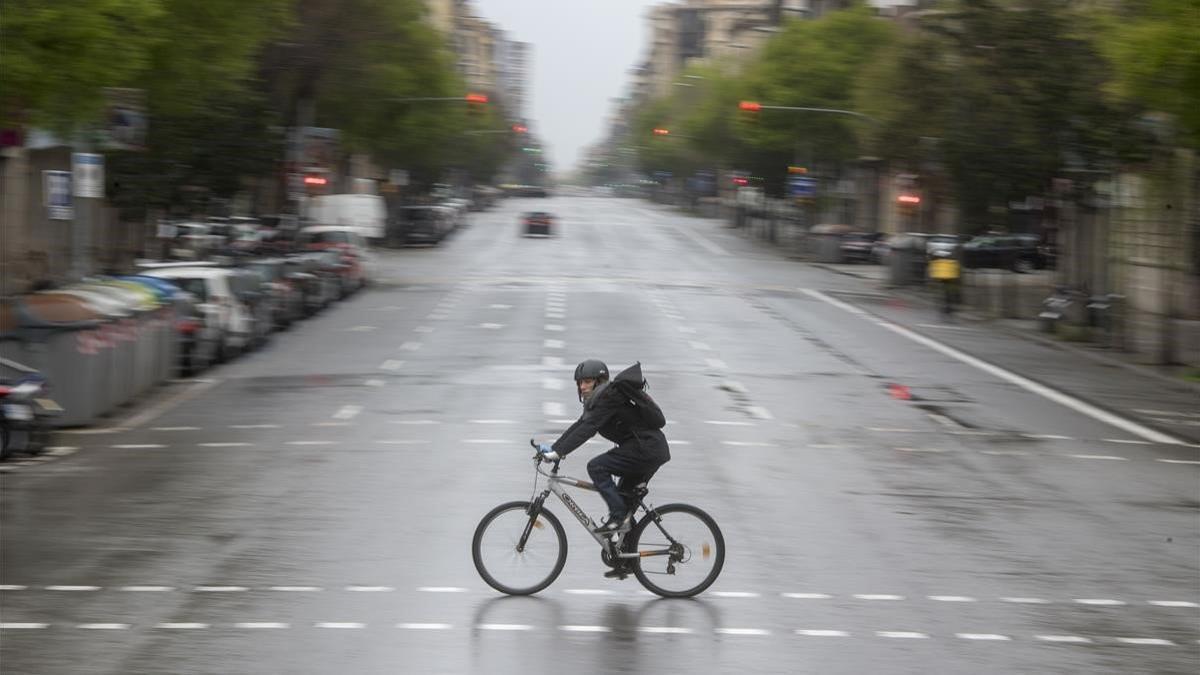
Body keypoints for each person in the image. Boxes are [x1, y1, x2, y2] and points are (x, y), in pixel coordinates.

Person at [538, 360, 671, 574]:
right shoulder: (600, 400)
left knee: (597, 467)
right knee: (625, 503)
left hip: (646, 449)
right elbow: (581, 424)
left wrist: (559, 453)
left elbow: (589, 429)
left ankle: (617, 517)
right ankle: (625, 560)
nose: (582, 387)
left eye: (587, 381)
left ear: (599, 381)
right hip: (646, 449)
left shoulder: (609, 396)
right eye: (579, 383)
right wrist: (555, 449)